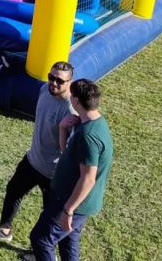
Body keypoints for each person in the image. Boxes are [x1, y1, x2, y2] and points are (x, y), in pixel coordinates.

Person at [0, 61, 76, 244]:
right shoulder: (44, 91)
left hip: (53, 174)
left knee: (49, 214)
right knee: (13, 191)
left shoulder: (70, 110)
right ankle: (4, 230)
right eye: (51, 77)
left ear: (70, 82)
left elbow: (71, 151)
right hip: (32, 160)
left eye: (60, 81)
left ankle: (41, 250)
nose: (53, 83)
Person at [28, 78, 114, 261]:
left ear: (75, 101)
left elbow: (88, 178)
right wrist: (62, 129)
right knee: (68, 242)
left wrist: (68, 210)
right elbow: (68, 154)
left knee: (41, 239)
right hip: (73, 200)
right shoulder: (90, 123)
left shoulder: (88, 135)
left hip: (71, 202)